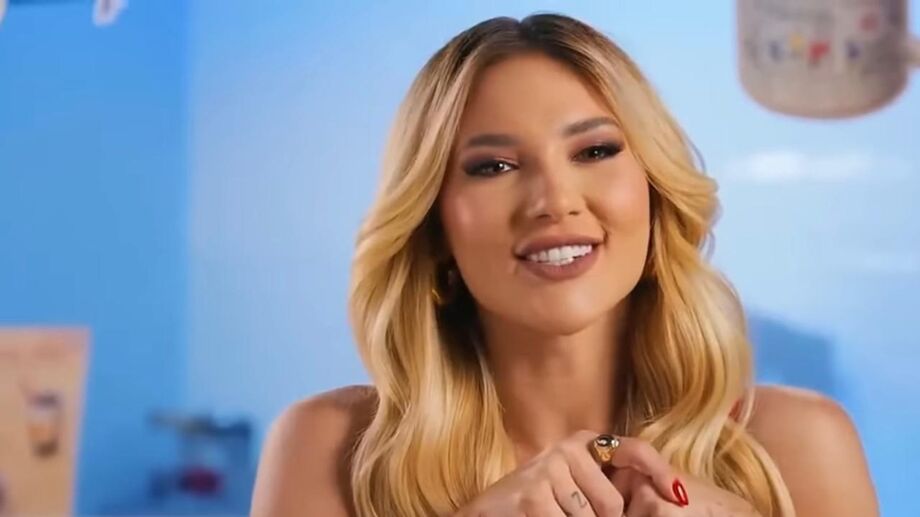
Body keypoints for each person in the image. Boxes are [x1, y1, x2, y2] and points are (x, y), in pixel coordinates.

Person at [250, 13, 878, 517]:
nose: (554, 201)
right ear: (434, 226)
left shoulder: (799, 446)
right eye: (493, 166)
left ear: (655, 193)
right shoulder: (330, 450)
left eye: (595, 151)